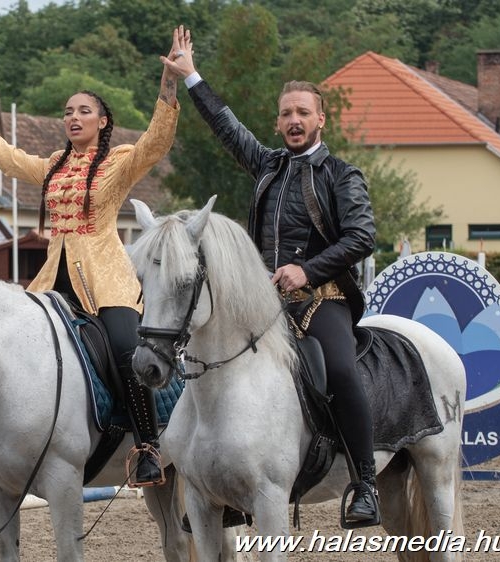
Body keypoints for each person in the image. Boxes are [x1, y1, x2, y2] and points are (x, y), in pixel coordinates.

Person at [0, 27, 188, 487]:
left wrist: (169, 83)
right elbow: (3, 155)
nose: (73, 117)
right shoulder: (52, 165)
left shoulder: (118, 161)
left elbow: (155, 143)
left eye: (84, 111)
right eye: (68, 111)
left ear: (102, 121)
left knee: (127, 350)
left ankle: (147, 447)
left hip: (108, 282)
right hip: (51, 282)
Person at [162, 29, 379, 524]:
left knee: (339, 370)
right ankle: (223, 483)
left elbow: (362, 236)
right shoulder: (267, 164)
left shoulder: (342, 175)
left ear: (321, 120)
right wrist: (191, 75)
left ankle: (364, 483)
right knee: (208, 360)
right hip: (263, 303)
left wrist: (307, 269)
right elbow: (226, 126)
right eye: (286, 113)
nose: (294, 120)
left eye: (303, 112)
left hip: (323, 298)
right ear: (278, 122)